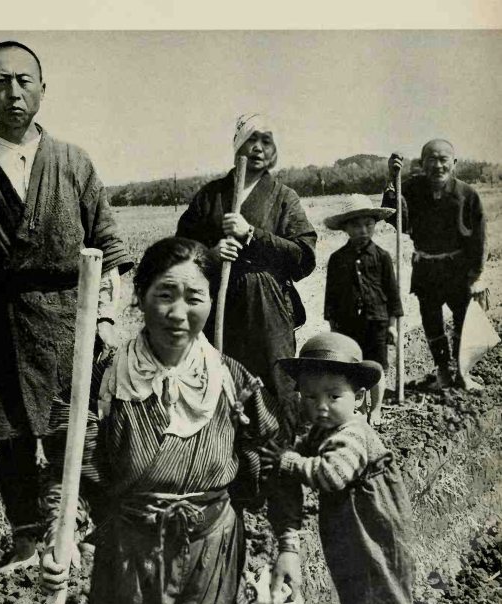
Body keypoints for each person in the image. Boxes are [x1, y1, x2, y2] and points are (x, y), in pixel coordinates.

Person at [0, 41, 133, 571]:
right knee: (12, 442)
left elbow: (110, 248)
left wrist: (106, 319)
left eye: (23, 80)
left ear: (42, 88)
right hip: (4, 320)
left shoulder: (73, 161)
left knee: (77, 436)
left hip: (71, 319)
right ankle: (25, 542)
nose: (13, 92)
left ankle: (86, 534)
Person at [40, 237, 302, 604]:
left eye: (194, 297)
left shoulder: (232, 380)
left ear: (211, 300)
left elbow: (275, 459)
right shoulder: (104, 379)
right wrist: (60, 536)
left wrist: (288, 544)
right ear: (140, 297)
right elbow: (67, 470)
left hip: (212, 555)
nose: (179, 313)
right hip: (128, 557)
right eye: (165, 295)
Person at [259, 332, 418, 604]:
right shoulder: (324, 429)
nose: (321, 406)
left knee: (380, 586)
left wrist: (288, 461)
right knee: (356, 588)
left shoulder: (352, 433)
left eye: (333, 397)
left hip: (371, 526)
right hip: (350, 526)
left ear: (358, 398)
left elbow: (332, 475)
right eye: (310, 397)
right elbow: (303, 453)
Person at [175, 113, 317, 440]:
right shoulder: (210, 196)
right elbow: (179, 250)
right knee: (217, 380)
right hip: (217, 306)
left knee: (275, 383)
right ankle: (224, 460)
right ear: (237, 145)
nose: (258, 148)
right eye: (251, 139)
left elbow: (304, 258)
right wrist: (210, 255)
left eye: (266, 141)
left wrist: (252, 235)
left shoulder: (284, 198)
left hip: (267, 308)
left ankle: (280, 458)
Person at [382, 139, 487, 391]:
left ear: (454, 163)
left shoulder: (467, 194)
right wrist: (391, 179)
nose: (438, 165)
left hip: (458, 270)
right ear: (422, 163)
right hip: (426, 270)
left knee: (465, 321)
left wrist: (477, 275)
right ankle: (442, 372)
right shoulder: (411, 188)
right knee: (432, 322)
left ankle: (463, 372)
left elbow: (479, 238)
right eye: (432, 159)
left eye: (443, 159)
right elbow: (394, 217)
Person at [324, 194, 402, 426]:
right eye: (356, 225)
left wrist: (392, 326)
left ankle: (376, 409)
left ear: (375, 225)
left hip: (376, 321)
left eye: (368, 224)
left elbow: (393, 295)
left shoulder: (382, 257)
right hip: (347, 323)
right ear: (346, 228)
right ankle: (357, 407)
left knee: (376, 367)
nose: (363, 230)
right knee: (351, 367)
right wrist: (333, 328)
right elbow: (331, 298)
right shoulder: (337, 259)